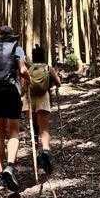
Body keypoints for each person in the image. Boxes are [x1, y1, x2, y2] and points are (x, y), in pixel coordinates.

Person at [0, 25, 30, 192]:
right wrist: (28, 79)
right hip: (11, 92)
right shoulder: (17, 49)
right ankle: (10, 166)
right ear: (12, 36)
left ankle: (0, 176)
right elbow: (22, 70)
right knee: (14, 131)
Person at [23, 44, 61, 176]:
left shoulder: (29, 69)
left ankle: (36, 154)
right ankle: (45, 151)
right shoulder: (48, 68)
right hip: (43, 99)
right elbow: (59, 83)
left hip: (29, 101)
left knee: (34, 128)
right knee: (44, 129)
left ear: (33, 57)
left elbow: (24, 87)